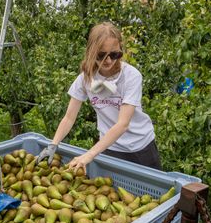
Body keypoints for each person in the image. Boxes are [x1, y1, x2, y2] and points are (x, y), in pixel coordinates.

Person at [36, 21, 161, 171]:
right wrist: (53, 144)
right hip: (109, 148)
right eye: (101, 55)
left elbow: (123, 124)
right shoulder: (85, 79)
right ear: (91, 52)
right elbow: (69, 118)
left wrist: (89, 155)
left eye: (114, 54)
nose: (108, 60)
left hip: (140, 148)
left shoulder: (131, 76)